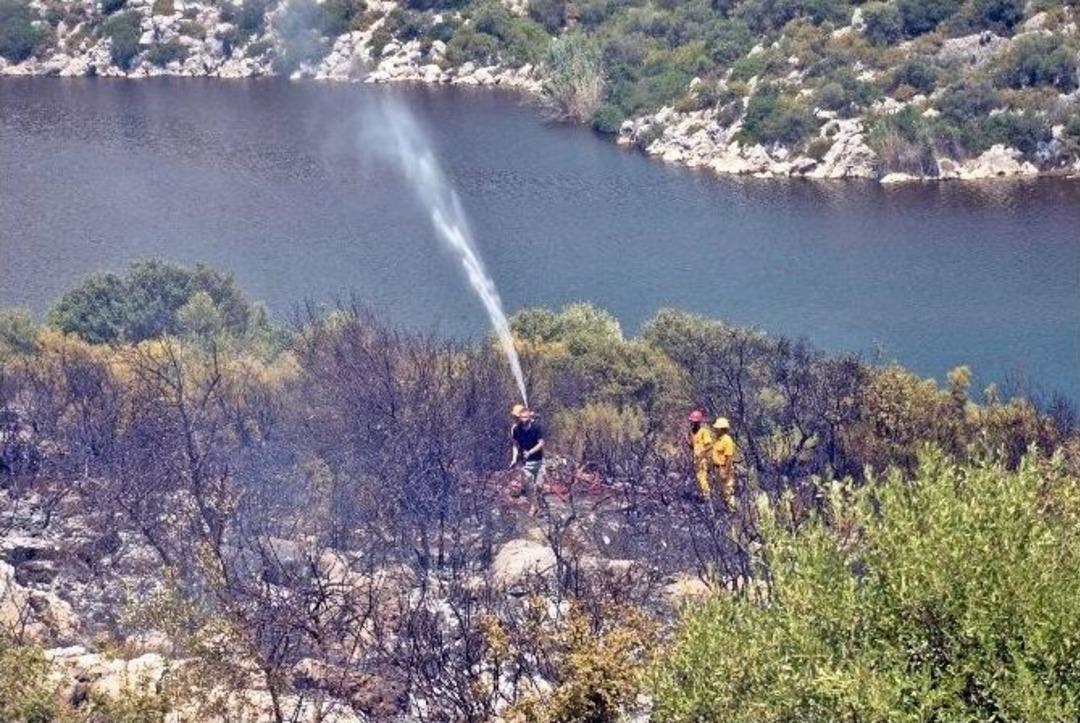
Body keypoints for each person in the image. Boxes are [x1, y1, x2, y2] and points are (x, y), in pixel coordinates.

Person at [509, 403, 545, 516]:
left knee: (539, 486)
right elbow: (515, 444)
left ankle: (538, 504)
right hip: (526, 463)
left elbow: (541, 443)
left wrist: (530, 452)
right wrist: (514, 458)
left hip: (538, 461)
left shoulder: (536, 427)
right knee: (529, 485)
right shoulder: (516, 429)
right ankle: (535, 507)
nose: (517, 419)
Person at [687, 410, 713, 506]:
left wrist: (702, 454)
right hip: (696, 460)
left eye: (693, 421)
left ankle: (707, 499)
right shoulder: (692, 432)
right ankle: (704, 499)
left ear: (698, 422)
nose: (692, 423)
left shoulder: (703, 432)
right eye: (691, 421)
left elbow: (709, 445)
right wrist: (688, 439)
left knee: (703, 479)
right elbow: (692, 447)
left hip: (703, 460)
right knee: (699, 479)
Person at [712, 417, 737, 510]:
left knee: (728, 490)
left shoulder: (727, 440)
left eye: (717, 428)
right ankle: (727, 510)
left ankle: (732, 511)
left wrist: (726, 472)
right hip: (718, 468)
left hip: (724, 468)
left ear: (721, 429)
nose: (715, 429)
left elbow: (729, 458)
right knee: (722, 491)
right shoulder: (719, 439)